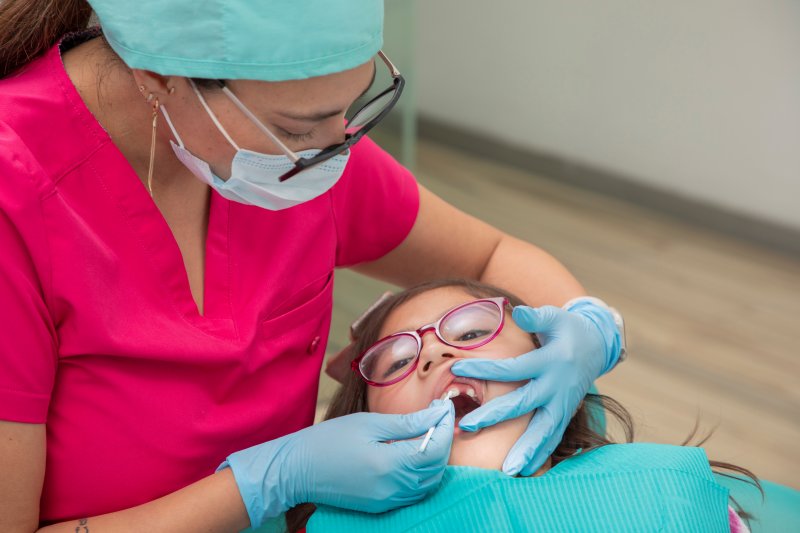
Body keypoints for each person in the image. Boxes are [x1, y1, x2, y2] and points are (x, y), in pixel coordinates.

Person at [0, 1, 625, 530]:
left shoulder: (303, 152)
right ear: (160, 75)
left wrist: (585, 328)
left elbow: (495, 257)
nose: (338, 145)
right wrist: (261, 484)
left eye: (349, 107)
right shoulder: (17, 197)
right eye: (299, 127)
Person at [286, 278, 756, 532]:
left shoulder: (665, 491)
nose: (434, 353)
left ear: (561, 381)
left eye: (471, 332)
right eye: (397, 363)